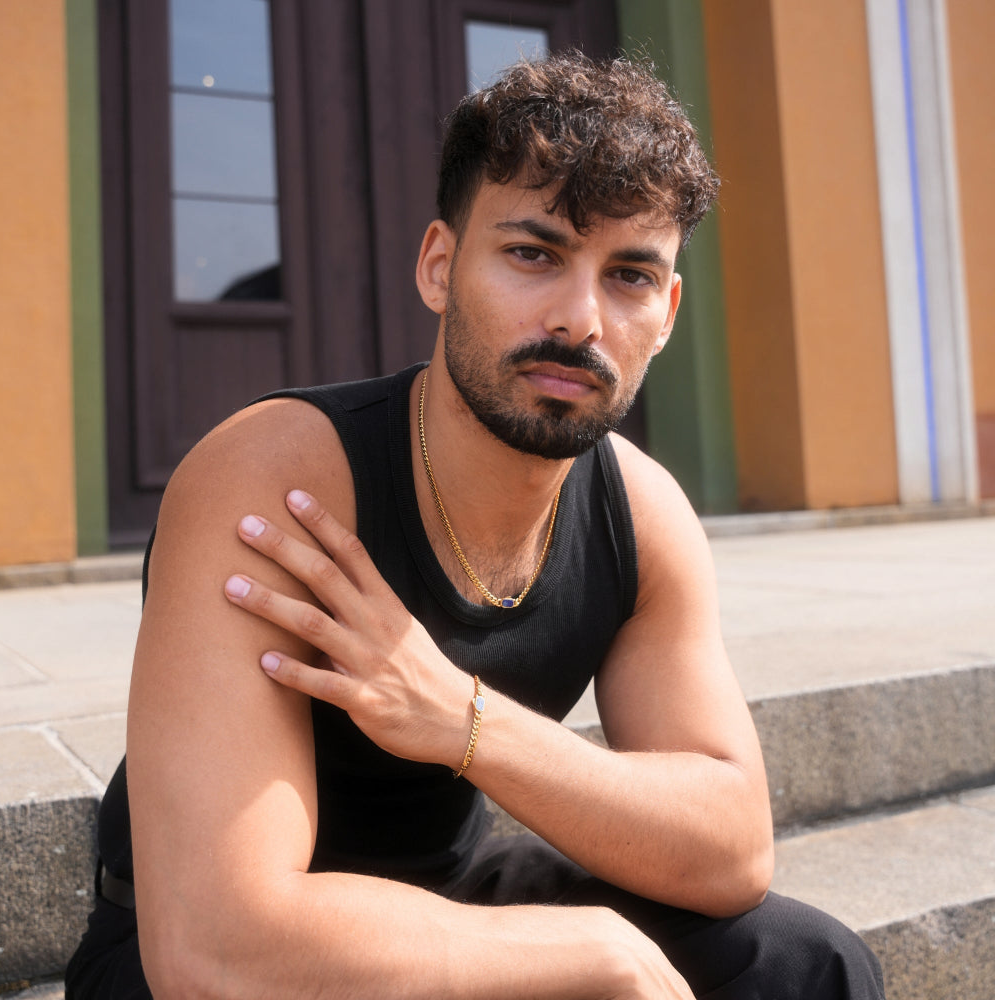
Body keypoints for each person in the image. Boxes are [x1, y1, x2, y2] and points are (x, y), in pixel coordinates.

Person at [67, 52, 885, 998]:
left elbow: (731, 849)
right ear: (440, 266)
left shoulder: (642, 512)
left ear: (666, 315)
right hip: (222, 948)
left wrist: (462, 719)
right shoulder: (275, 478)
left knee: (807, 966)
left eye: (628, 275)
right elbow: (218, 949)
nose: (579, 319)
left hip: (445, 895)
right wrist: (596, 951)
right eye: (533, 254)